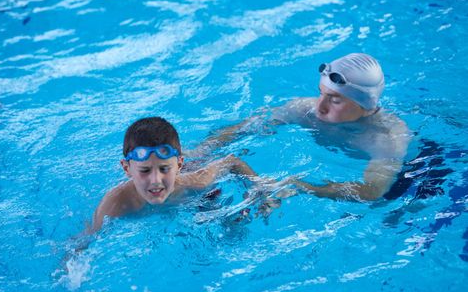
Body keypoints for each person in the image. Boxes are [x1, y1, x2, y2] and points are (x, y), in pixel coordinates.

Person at [194, 53, 411, 201]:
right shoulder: (304, 109)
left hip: (410, 176)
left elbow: (373, 190)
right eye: (320, 93)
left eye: (335, 100)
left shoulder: (386, 137)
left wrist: (305, 187)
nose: (320, 107)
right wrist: (201, 152)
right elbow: (247, 127)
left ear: (366, 105)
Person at [89, 116, 270, 234]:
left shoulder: (196, 181)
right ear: (127, 169)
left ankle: (266, 119)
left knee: (205, 151)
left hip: (194, 171)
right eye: (145, 171)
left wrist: (261, 188)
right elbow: (81, 244)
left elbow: (231, 161)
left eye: (164, 169)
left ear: (178, 165)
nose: (156, 181)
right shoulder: (115, 203)